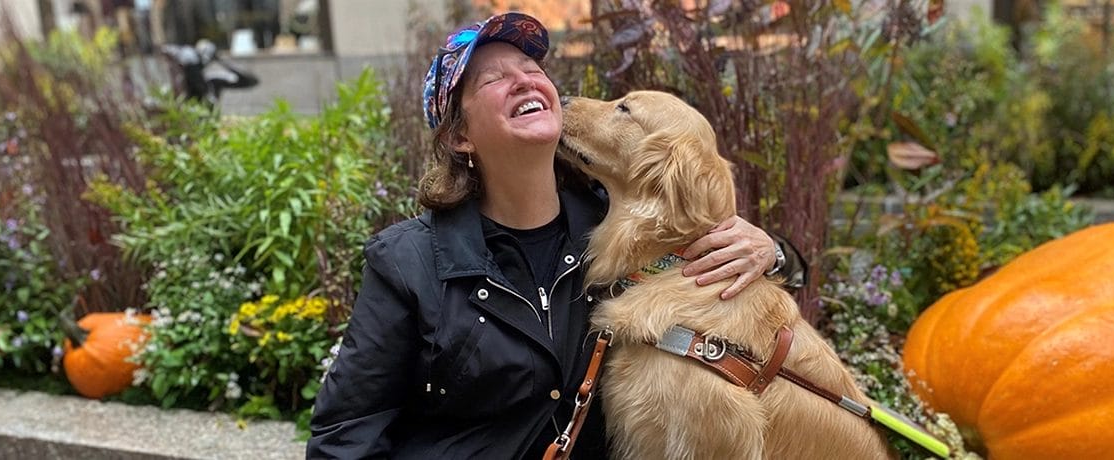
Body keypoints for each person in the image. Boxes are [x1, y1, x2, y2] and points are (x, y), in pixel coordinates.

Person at [307, 12, 797, 458]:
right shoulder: (407, 262)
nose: (524, 80)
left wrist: (774, 253)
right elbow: (347, 435)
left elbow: (736, 287)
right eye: (494, 79)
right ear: (460, 136)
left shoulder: (625, 238)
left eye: (532, 69)